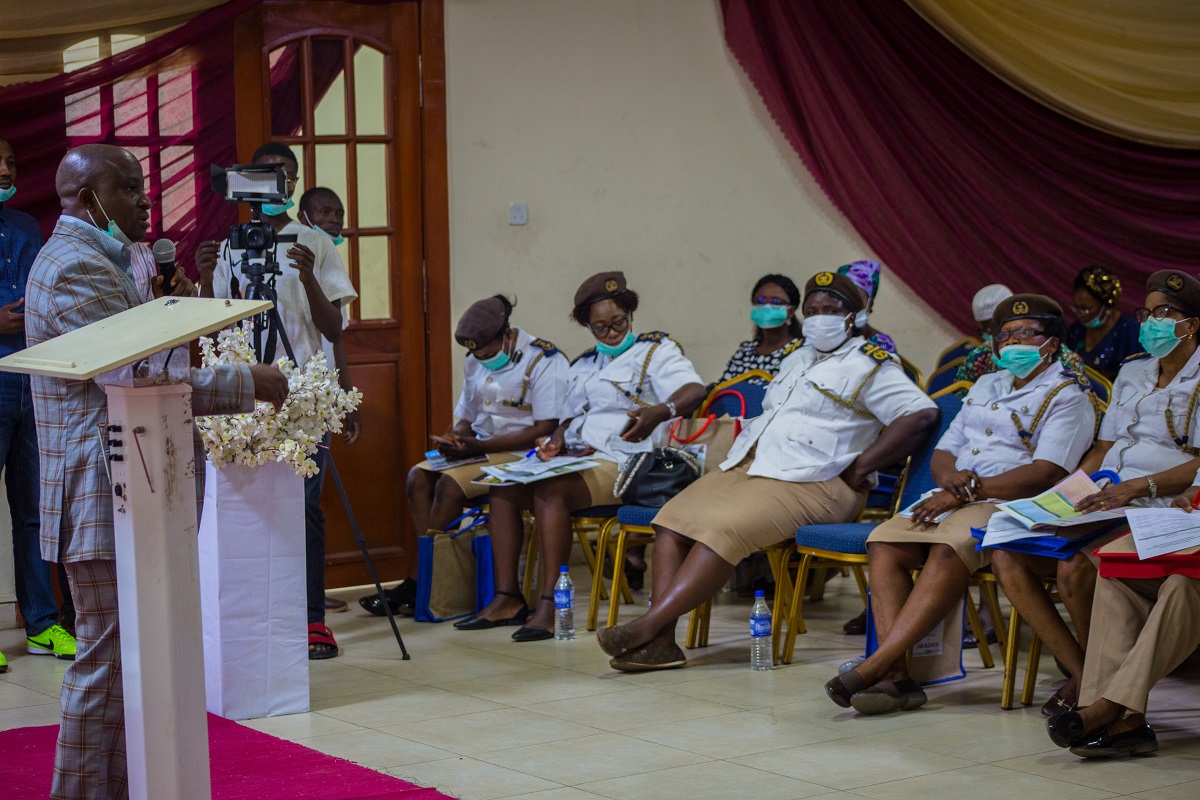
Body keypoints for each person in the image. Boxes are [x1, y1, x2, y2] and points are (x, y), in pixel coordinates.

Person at [25, 143, 288, 800]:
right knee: (108, 665)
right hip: (103, 489)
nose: (146, 201)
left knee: (128, 668)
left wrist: (171, 307)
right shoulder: (73, 268)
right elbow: (130, 375)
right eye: (131, 188)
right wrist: (246, 382)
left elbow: (140, 358)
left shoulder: (114, 259)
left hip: (130, 486)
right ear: (89, 199)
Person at [596, 271, 939, 671]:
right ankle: (662, 643)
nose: (818, 318)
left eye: (831, 310)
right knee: (670, 521)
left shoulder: (871, 364)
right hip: (755, 467)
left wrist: (862, 465)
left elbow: (920, 415)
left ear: (854, 317)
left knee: (721, 530)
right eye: (812, 310)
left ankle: (647, 625)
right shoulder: (798, 357)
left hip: (818, 481)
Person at [833, 294, 1096, 714]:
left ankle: (876, 665)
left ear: (1051, 343)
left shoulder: (1068, 395)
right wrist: (949, 482)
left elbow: (1048, 471)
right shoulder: (986, 384)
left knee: (948, 548)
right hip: (955, 496)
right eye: (1005, 334)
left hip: (1015, 504)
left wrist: (962, 493)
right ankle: (898, 676)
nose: (1013, 342)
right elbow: (946, 449)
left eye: (1026, 333)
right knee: (884, 543)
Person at [455, 271, 706, 641]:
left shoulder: (655, 352)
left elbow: (694, 390)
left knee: (552, 491)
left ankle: (552, 604)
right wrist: (555, 439)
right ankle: (507, 598)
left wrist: (660, 410)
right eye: (600, 327)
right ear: (588, 327)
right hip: (578, 457)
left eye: (618, 322)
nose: (610, 333)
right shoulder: (585, 364)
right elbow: (569, 418)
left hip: (626, 461)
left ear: (630, 314)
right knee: (503, 490)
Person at [993, 271, 1200, 718]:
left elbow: (1197, 464)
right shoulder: (1132, 369)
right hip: (1108, 492)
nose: (1152, 322)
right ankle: (1084, 667)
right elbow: (1104, 449)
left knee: (1075, 567)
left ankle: (1095, 680)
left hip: (1158, 500)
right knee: (1006, 551)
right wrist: (1069, 492)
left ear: (1192, 324)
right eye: (1147, 312)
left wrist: (1133, 488)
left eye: (1165, 313)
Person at [207, 142, 358, 658]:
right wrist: (209, 276)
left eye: (284, 176)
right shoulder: (232, 245)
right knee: (248, 504)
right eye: (265, 175)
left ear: (294, 183)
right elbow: (221, 324)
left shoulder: (316, 241)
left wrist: (310, 274)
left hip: (305, 391)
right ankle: (253, 614)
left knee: (305, 506)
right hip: (247, 390)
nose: (276, 184)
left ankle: (312, 618)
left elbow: (335, 326)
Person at [359, 295, 569, 616]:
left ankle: (418, 583)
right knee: (419, 477)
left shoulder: (543, 360)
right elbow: (467, 419)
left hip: (522, 455)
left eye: (488, 353)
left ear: (507, 334)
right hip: (481, 449)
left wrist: (480, 447)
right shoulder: (474, 362)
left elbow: (545, 427)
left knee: (449, 485)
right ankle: (427, 578)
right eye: (476, 354)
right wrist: (454, 439)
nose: (482, 360)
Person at [0, 134, 77, 673]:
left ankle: (43, 623)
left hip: (31, 381)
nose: (5, 167)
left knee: (34, 510)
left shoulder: (27, 227)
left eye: (8, 160)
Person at [956, 283, 1085, 384]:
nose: (1010, 341)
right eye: (986, 330)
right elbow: (957, 402)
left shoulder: (1065, 360)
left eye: (998, 328)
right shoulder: (979, 358)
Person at [715, 273, 803, 384]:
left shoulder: (800, 351)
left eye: (776, 301)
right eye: (760, 300)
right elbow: (722, 388)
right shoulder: (745, 351)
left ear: (791, 311)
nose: (766, 306)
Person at [1064, 264, 1142, 381]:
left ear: (1107, 307)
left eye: (1086, 309)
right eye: (1076, 307)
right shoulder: (1076, 330)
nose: (1079, 314)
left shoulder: (1131, 333)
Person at [838, 259, 897, 354]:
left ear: (869, 305)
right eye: (841, 294)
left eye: (856, 297)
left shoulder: (880, 344)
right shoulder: (822, 326)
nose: (847, 301)